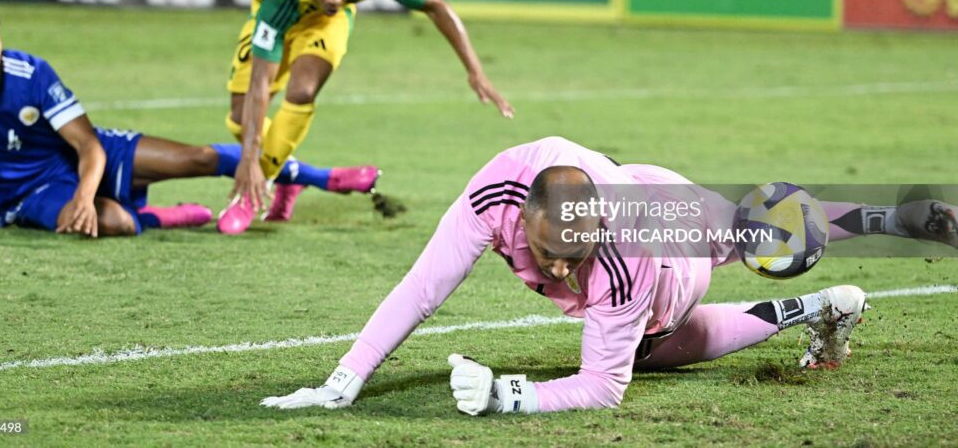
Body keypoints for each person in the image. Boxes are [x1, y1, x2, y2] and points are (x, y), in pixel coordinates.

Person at [259, 137, 957, 414]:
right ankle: (852, 274)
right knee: (752, 227)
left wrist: (509, 396)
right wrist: (342, 379)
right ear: (522, 214)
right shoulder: (491, 196)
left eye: (574, 256)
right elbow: (422, 286)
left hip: (669, 253)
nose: (560, 270)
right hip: (658, 189)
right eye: (549, 252)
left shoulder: (627, 252)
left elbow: (604, 387)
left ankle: (830, 289)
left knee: (655, 347)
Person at [0, 1, 364, 237]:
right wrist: (84, 204)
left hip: (88, 158)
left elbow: (88, 144)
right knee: (116, 223)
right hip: (26, 195)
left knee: (198, 156)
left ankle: (320, 177)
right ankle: (161, 215)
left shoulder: (31, 73)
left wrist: (83, 195)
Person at [220, 0, 513, 234]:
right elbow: (260, 82)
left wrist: (475, 71)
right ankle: (291, 176)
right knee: (241, 116)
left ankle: (250, 197)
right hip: (275, 23)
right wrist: (249, 158)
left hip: (324, 25)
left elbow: (436, 4)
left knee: (303, 90)